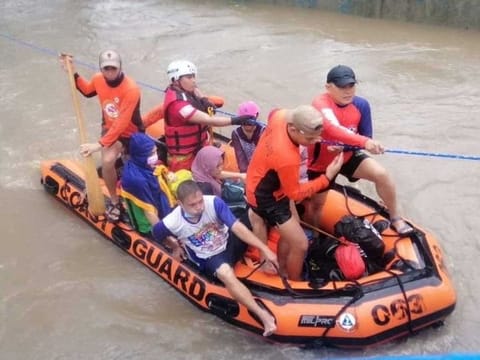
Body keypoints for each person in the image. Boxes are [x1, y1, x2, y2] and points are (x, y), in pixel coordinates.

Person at [246, 105, 384, 281]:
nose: (315, 141)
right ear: (294, 129)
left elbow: (331, 129)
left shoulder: (281, 116)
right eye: (311, 138)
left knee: (291, 232)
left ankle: (282, 266)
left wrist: (364, 142)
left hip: (264, 177)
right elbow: (295, 194)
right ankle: (295, 283)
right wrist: (326, 178)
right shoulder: (287, 157)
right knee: (301, 243)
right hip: (265, 195)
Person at [151, 180, 278, 337]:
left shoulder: (213, 202)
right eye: (193, 205)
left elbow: (236, 226)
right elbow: (157, 234)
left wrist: (264, 249)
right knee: (225, 274)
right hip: (210, 255)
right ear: (180, 204)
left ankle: (265, 262)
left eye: (200, 201)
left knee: (254, 214)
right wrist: (175, 247)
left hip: (228, 240)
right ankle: (263, 315)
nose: (199, 207)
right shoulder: (172, 221)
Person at [310, 65, 413, 235]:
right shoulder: (320, 103)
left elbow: (366, 136)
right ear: (328, 87)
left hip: (347, 155)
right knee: (316, 205)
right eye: (342, 87)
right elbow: (333, 127)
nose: (348, 91)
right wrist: (365, 142)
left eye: (351, 86)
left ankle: (395, 217)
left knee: (382, 175)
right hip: (321, 162)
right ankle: (315, 236)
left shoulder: (362, 105)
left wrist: (354, 145)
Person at [60, 50, 143, 222]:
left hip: (131, 132)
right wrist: (72, 72)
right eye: (106, 69)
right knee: (107, 161)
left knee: (139, 170)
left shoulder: (131, 89)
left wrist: (99, 144)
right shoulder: (98, 79)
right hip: (109, 128)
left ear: (120, 68)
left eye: (113, 68)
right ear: (101, 69)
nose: (110, 72)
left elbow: (122, 121)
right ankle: (114, 200)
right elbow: (87, 90)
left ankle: (142, 199)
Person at [161, 60, 257, 172]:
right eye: (189, 77)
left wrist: (204, 99)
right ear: (175, 80)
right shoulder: (178, 106)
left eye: (193, 76)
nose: (193, 80)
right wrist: (236, 120)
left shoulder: (186, 90)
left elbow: (196, 90)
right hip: (184, 158)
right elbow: (209, 120)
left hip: (200, 146)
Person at [120, 133, 185, 259]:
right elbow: (149, 214)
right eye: (151, 154)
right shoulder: (136, 180)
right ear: (141, 155)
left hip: (163, 208)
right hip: (149, 225)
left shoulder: (145, 165)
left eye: (155, 151)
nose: (155, 156)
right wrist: (171, 242)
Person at [230, 101, 265, 173]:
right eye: (244, 120)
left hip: (263, 168)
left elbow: (265, 156)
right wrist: (245, 173)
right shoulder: (236, 134)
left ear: (257, 116)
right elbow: (240, 157)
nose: (247, 124)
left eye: (250, 120)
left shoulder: (263, 131)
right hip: (248, 170)